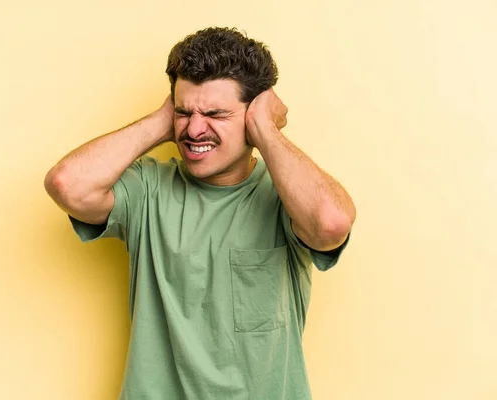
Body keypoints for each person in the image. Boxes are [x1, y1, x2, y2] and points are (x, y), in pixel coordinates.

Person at [44, 27, 356, 400]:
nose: (194, 129)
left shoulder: (286, 199)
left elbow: (331, 223)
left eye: (215, 113)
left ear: (252, 117)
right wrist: (163, 122)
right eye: (183, 112)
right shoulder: (148, 190)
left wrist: (266, 129)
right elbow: (66, 184)